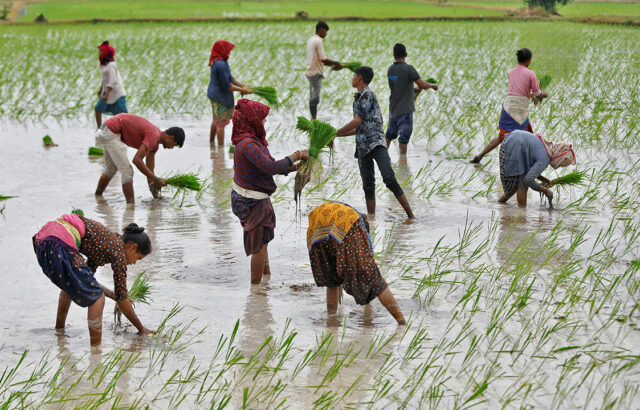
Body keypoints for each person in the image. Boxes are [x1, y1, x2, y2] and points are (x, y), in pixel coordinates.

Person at [33, 214, 155, 346]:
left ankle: (59, 331)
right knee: (97, 298)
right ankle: (96, 351)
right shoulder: (119, 253)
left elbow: (85, 281)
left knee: (71, 284)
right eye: (138, 258)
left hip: (44, 240)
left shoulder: (107, 243)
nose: (135, 263)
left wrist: (115, 297)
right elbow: (122, 299)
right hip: (60, 243)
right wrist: (141, 329)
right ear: (133, 247)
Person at [230, 99, 309, 284]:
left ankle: (265, 282)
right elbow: (270, 167)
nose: (264, 122)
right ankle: (256, 291)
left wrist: (294, 168)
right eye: (262, 118)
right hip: (250, 200)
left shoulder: (255, 141)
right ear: (252, 119)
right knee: (258, 246)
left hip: (256, 198)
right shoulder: (247, 144)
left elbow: (270, 165)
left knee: (263, 242)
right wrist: (296, 154)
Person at [307, 202, 406, 324]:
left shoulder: (350, 212)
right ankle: (402, 323)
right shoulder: (356, 223)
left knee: (331, 280)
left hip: (316, 225)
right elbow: (368, 267)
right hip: (342, 223)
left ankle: (331, 320)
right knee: (375, 279)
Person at [335, 66, 415, 218]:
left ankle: (411, 216)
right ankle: (371, 219)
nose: (352, 78)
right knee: (368, 185)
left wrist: (337, 132)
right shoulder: (358, 97)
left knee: (389, 179)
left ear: (360, 78)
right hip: (362, 145)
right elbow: (359, 127)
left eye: (354, 75)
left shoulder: (367, 94)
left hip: (376, 143)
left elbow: (357, 121)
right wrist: (336, 136)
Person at [471, 48, 548, 164]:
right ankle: (529, 165)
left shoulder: (511, 72)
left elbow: (519, 92)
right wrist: (543, 95)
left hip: (508, 108)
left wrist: (531, 95)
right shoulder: (531, 74)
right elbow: (537, 93)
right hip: (520, 110)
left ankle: (480, 155)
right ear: (529, 61)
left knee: (501, 137)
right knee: (527, 139)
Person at [94, 113, 185, 203]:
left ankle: (97, 196)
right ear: (170, 138)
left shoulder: (154, 145)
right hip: (111, 131)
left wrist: (156, 197)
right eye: (174, 145)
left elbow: (149, 171)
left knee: (111, 169)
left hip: (105, 129)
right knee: (127, 172)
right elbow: (137, 160)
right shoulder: (154, 136)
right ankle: (130, 207)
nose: (172, 148)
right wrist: (156, 179)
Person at [498, 130, 576, 208]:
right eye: (562, 164)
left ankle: (500, 203)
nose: (560, 166)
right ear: (560, 157)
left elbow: (529, 171)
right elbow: (528, 180)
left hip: (510, 141)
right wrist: (546, 191)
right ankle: (522, 213)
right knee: (523, 184)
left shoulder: (546, 149)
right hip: (514, 146)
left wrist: (545, 180)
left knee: (516, 185)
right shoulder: (545, 158)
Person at [386, 43, 438, 155]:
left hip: (393, 109)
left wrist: (415, 88)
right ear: (406, 54)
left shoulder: (391, 70)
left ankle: (383, 156)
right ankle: (402, 161)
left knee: (389, 134)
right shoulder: (409, 69)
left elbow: (399, 86)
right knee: (404, 138)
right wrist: (432, 85)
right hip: (405, 110)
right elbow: (423, 85)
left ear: (394, 55)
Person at [207, 40, 251, 146]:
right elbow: (226, 85)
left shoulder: (221, 62)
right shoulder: (220, 64)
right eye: (228, 51)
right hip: (219, 97)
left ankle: (211, 144)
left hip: (216, 95)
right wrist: (242, 90)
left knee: (216, 120)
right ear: (222, 51)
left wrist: (242, 85)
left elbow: (230, 78)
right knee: (220, 123)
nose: (229, 53)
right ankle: (220, 149)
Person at [306, 21, 343, 120]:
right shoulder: (318, 41)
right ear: (321, 30)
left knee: (313, 96)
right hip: (315, 73)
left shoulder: (311, 40)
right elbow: (323, 59)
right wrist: (337, 63)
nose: (326, 34)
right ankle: (314, 119)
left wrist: (333, 65)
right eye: (325, 31)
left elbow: (321, 60)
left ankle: (313, 118)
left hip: (310, 71)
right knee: (315, 98)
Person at [94, 41, 127, 129]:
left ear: (106, 53)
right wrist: (101, 90)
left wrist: (106, 94)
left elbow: (112, 81)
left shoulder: (111, 65)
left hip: (116, 94)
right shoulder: (104, 65)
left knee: (123, 117)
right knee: (98, 109)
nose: (99, 53)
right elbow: (105, 80)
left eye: (101, 51)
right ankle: (99, 129)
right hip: (106, 94)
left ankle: (127, 132)